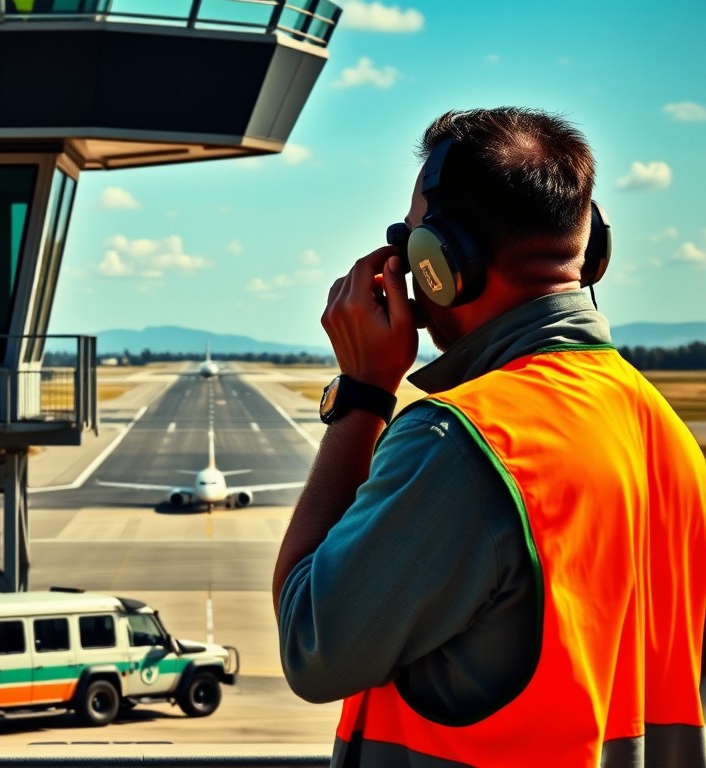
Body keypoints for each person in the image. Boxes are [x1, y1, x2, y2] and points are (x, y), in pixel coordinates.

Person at [273, 107, 706, 767]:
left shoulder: (465, 442)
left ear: (442, 263)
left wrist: (364, 394)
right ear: (591, 248)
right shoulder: (669, 438)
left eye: (411, 238)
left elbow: (314, 646)